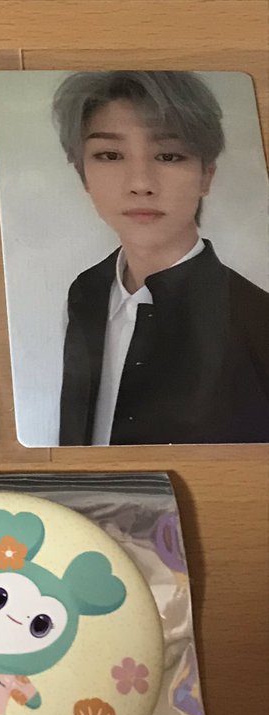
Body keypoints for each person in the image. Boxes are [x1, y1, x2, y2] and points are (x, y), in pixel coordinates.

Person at [52, 70, 269, 445]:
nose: (140, 183)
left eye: (169, 155)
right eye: (110, 155)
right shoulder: (85, 291)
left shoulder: (256, 318)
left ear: (206, 176)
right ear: (82, 174)